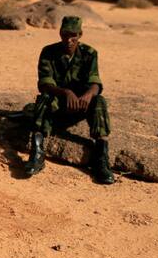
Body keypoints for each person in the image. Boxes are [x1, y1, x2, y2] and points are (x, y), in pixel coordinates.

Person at [25, 15, 115, 184]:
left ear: (80, 35)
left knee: (99, 101)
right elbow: (44, 83)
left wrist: (88, 95)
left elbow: (95, 82)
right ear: (60, 33)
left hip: (82, 104)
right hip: (58, 102)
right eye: (65, 34)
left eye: (73, 35)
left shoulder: (90, 53)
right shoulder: (49, 52)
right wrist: (66, 92)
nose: (69, 39)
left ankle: (101, 160)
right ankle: (37, 154)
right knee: (44, 98)